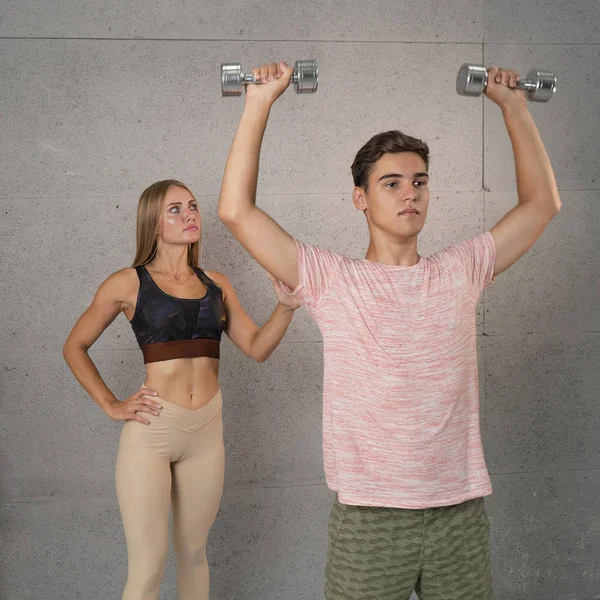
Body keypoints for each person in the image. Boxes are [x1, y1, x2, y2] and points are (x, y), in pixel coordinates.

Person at [217, 62, 562, 599]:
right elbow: (236, 212)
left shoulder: (460, 269)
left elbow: (542, 205)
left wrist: (513, 107)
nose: (410, 194)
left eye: (420, 182)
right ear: (361, 198)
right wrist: (259, 102)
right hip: (370, 518)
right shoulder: (330, 279)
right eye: (392, 183)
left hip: (458, 512)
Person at [63, 179, 300, 600]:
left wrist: (285, 306)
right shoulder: (126, 284)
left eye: (192, 206)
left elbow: (257, 347)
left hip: (207, 430)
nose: (190, 214)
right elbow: (74, 346)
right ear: (153, 222)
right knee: (148, 564)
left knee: (194, 554)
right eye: (176, 209)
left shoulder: (218, 284)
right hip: (152, 432)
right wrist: (112, 405)